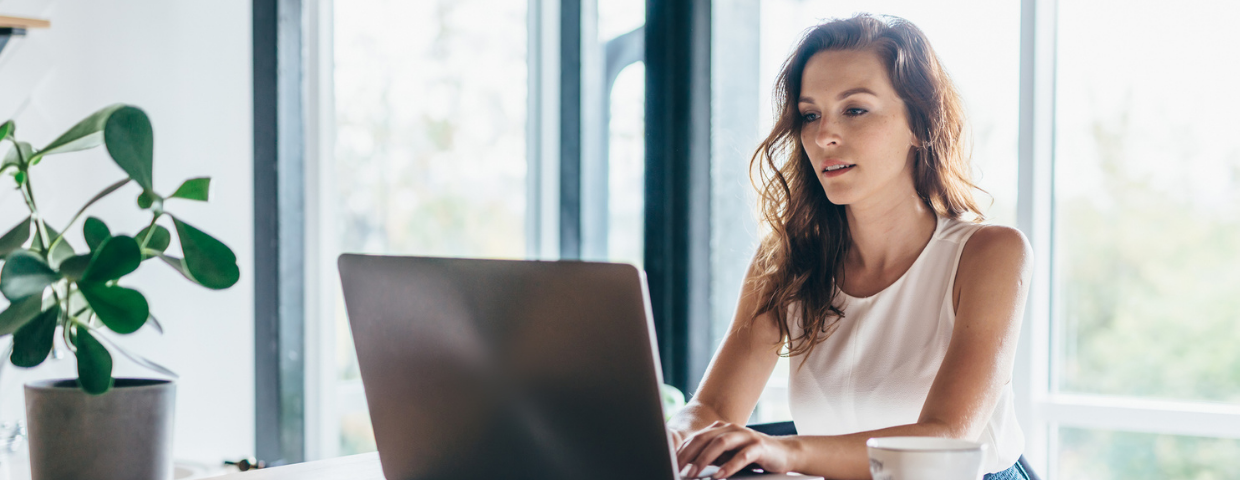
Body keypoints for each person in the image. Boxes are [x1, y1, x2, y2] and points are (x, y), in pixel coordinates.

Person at [666, 14, 1032, 480]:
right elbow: (713, 407)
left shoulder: (990, 253)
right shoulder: (786, 260)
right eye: (810, 115)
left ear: (919, 123)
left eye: (855, 110)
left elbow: (947, 438)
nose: (823, 137)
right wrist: (669, 437)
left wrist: (788, 453)